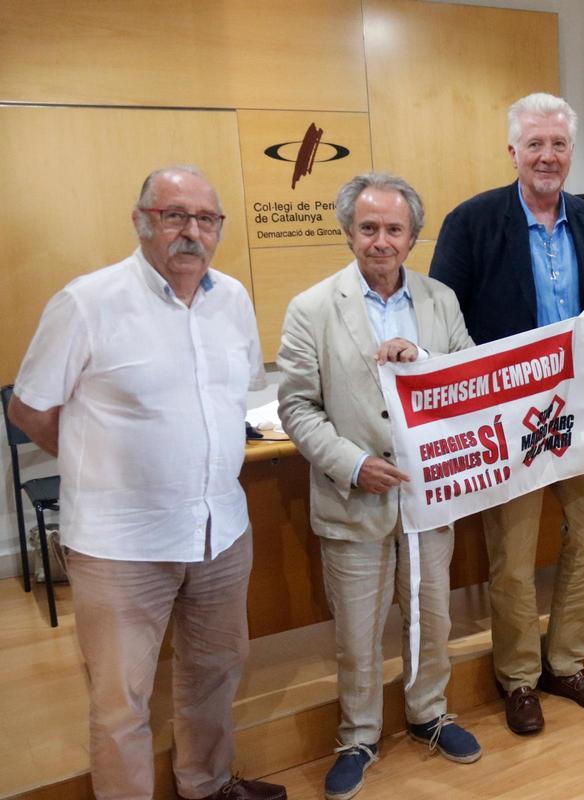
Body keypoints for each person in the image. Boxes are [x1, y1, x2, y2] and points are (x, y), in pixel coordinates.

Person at [7, 167, 285, 800]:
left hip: (220, 530)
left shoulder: (233, 299)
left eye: (205, 219)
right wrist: (96, 462)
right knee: (120, 699)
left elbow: (231, 393)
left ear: (220, 229)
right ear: (142, 221)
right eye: (173, 215)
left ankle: (206, 785)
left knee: (215, 672)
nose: (191, 231)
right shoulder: (87, 302)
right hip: (120, 544)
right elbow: (28, 409)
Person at [429, 92, 584, 735]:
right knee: (513, 557)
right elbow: (441, 314)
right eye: (535, 145)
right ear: (513, 152)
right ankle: (517, 677)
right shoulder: (472, 221)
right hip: (510, 416)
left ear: (572, 152)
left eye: (560, 145)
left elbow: (583, 305)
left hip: (580, 405)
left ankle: (565, 664)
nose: (548, 157)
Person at [277, 173, 481, 800]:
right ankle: (358, 736)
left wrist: (423, 360)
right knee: (356, 634)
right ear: (348, 232)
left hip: (427, 499)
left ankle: (428, 714)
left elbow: (470, 377)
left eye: (395, 229)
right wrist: (352, 463)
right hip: (353, 497)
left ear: (414, 236)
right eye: (369, 228)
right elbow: (297, 408)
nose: (381, 241)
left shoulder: (440, 300)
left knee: (431, 618)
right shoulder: (311, 308)